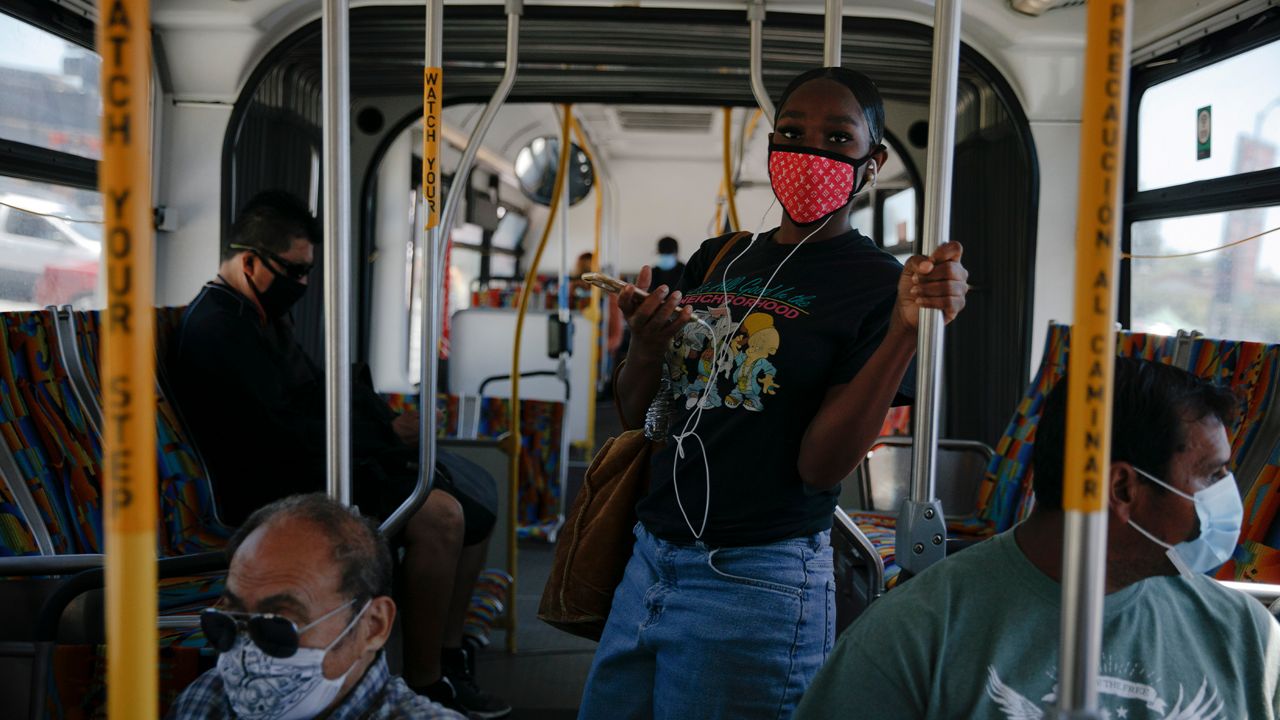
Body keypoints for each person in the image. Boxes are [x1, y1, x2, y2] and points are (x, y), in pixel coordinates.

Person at [577, 67, 969, 719]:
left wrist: (905, 332)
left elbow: (820, 467)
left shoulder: (879, 285)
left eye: (837, 138)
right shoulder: (720, 257)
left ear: (871, 164)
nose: (809, 152)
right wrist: (646, 346)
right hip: (651, 556)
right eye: (791, 133)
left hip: (756, 579)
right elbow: (640, 414)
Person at [170, 190, 509, 717]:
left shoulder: (257, 316)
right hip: (266, 486)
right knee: (440, 515)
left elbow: (310, 392)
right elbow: (277, 433)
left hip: (299, 462)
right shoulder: (219, 331)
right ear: (251, 262)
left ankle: (448, 648)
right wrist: (383, 438)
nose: (302, 285)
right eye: (295, 271)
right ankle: (427, 680)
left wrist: (379, 424)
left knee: (466, 487)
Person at [795, 357, 1280, 719]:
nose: (1226, 498)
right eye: (1211, 476)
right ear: (1123, 488)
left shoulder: (1245, 638)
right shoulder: (915, 637)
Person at [167, 493, 465, 720]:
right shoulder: (208, 700)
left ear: (373, 626)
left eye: (278, 624)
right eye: (226, 624)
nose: (245, 656)